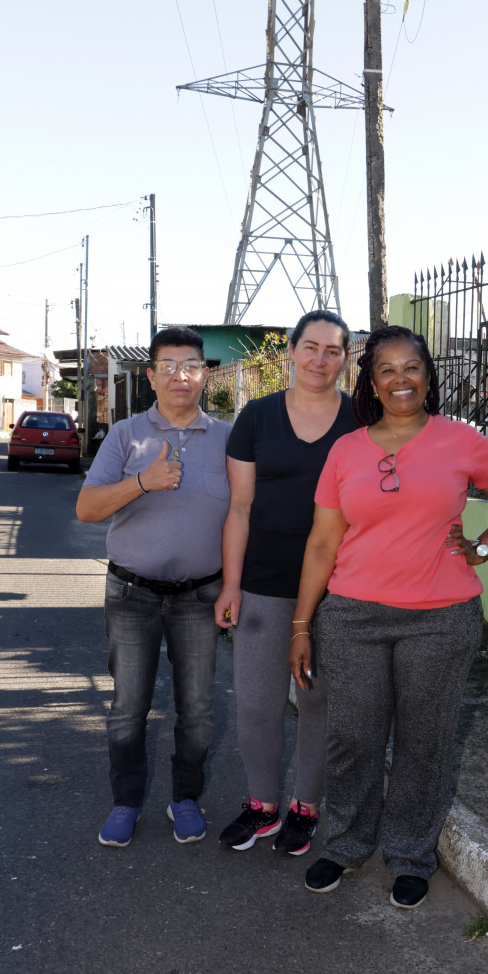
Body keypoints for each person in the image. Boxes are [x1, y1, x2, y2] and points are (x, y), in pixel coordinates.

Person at [289, 325, 488, 909]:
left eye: (412, 368)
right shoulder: (346, 451)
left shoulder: (462, 441)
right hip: (351, 617)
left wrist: (479, 548)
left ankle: (409, 855)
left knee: (425, 742)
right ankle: (346, 845)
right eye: (387, 370)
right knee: (353, 738)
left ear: (428, 376)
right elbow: (323, 544)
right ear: (370, 382)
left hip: (440, 617)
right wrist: (302, 626)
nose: (400, 379)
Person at [76, 327, 231, 848]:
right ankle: (125, 802)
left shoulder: (230, 439)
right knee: (129, 705)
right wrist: (144, 480)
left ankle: (184, 797)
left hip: (200, 596)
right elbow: (87, 509)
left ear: (205, 373)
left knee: (198, 709)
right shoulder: (125, 435)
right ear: (151, 375)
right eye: (168, 366)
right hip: (132, 594)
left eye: (190, 366)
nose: (180, 376)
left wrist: (236, 585)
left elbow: (245, 516)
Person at [214, 310, 356, 857]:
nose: (320, 360)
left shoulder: (360, 421)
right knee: (255, 700)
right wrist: (231, 584)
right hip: (263, 582)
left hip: (338, 586)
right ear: (292, 351)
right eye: (311, 347)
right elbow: (239, 507)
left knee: (317, 701)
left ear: (346, 359)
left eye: (333, 350)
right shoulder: (256, 416)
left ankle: (305, 806)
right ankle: (262, 806)